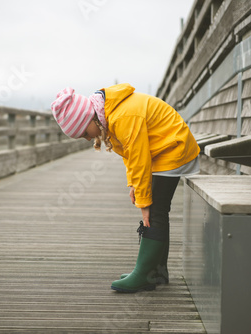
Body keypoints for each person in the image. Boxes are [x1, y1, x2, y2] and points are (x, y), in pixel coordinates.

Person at [51, 83, 200, 293]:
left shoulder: (123, 117)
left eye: (84, 132)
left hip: (173, 149)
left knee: (154, 210)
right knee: (159, 209)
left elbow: (140, 159)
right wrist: (133, 184)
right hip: (161, 150)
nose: (87, 138)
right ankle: (156, 271)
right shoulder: (109, 115)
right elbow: (130, 154)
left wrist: (144, 203)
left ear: (89, 118)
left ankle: (145, 275)